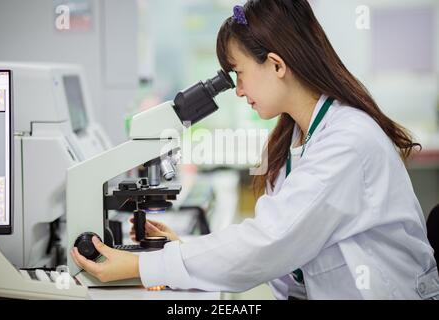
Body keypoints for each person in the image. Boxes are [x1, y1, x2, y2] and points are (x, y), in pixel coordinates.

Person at [71, 0, 439, 299]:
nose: (239, 90)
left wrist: (142, 266)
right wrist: (185, 252)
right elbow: (278, 245)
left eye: (239, 73)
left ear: (276, 65)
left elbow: (269, 243)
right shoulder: (297, 134)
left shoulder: (347, 141)